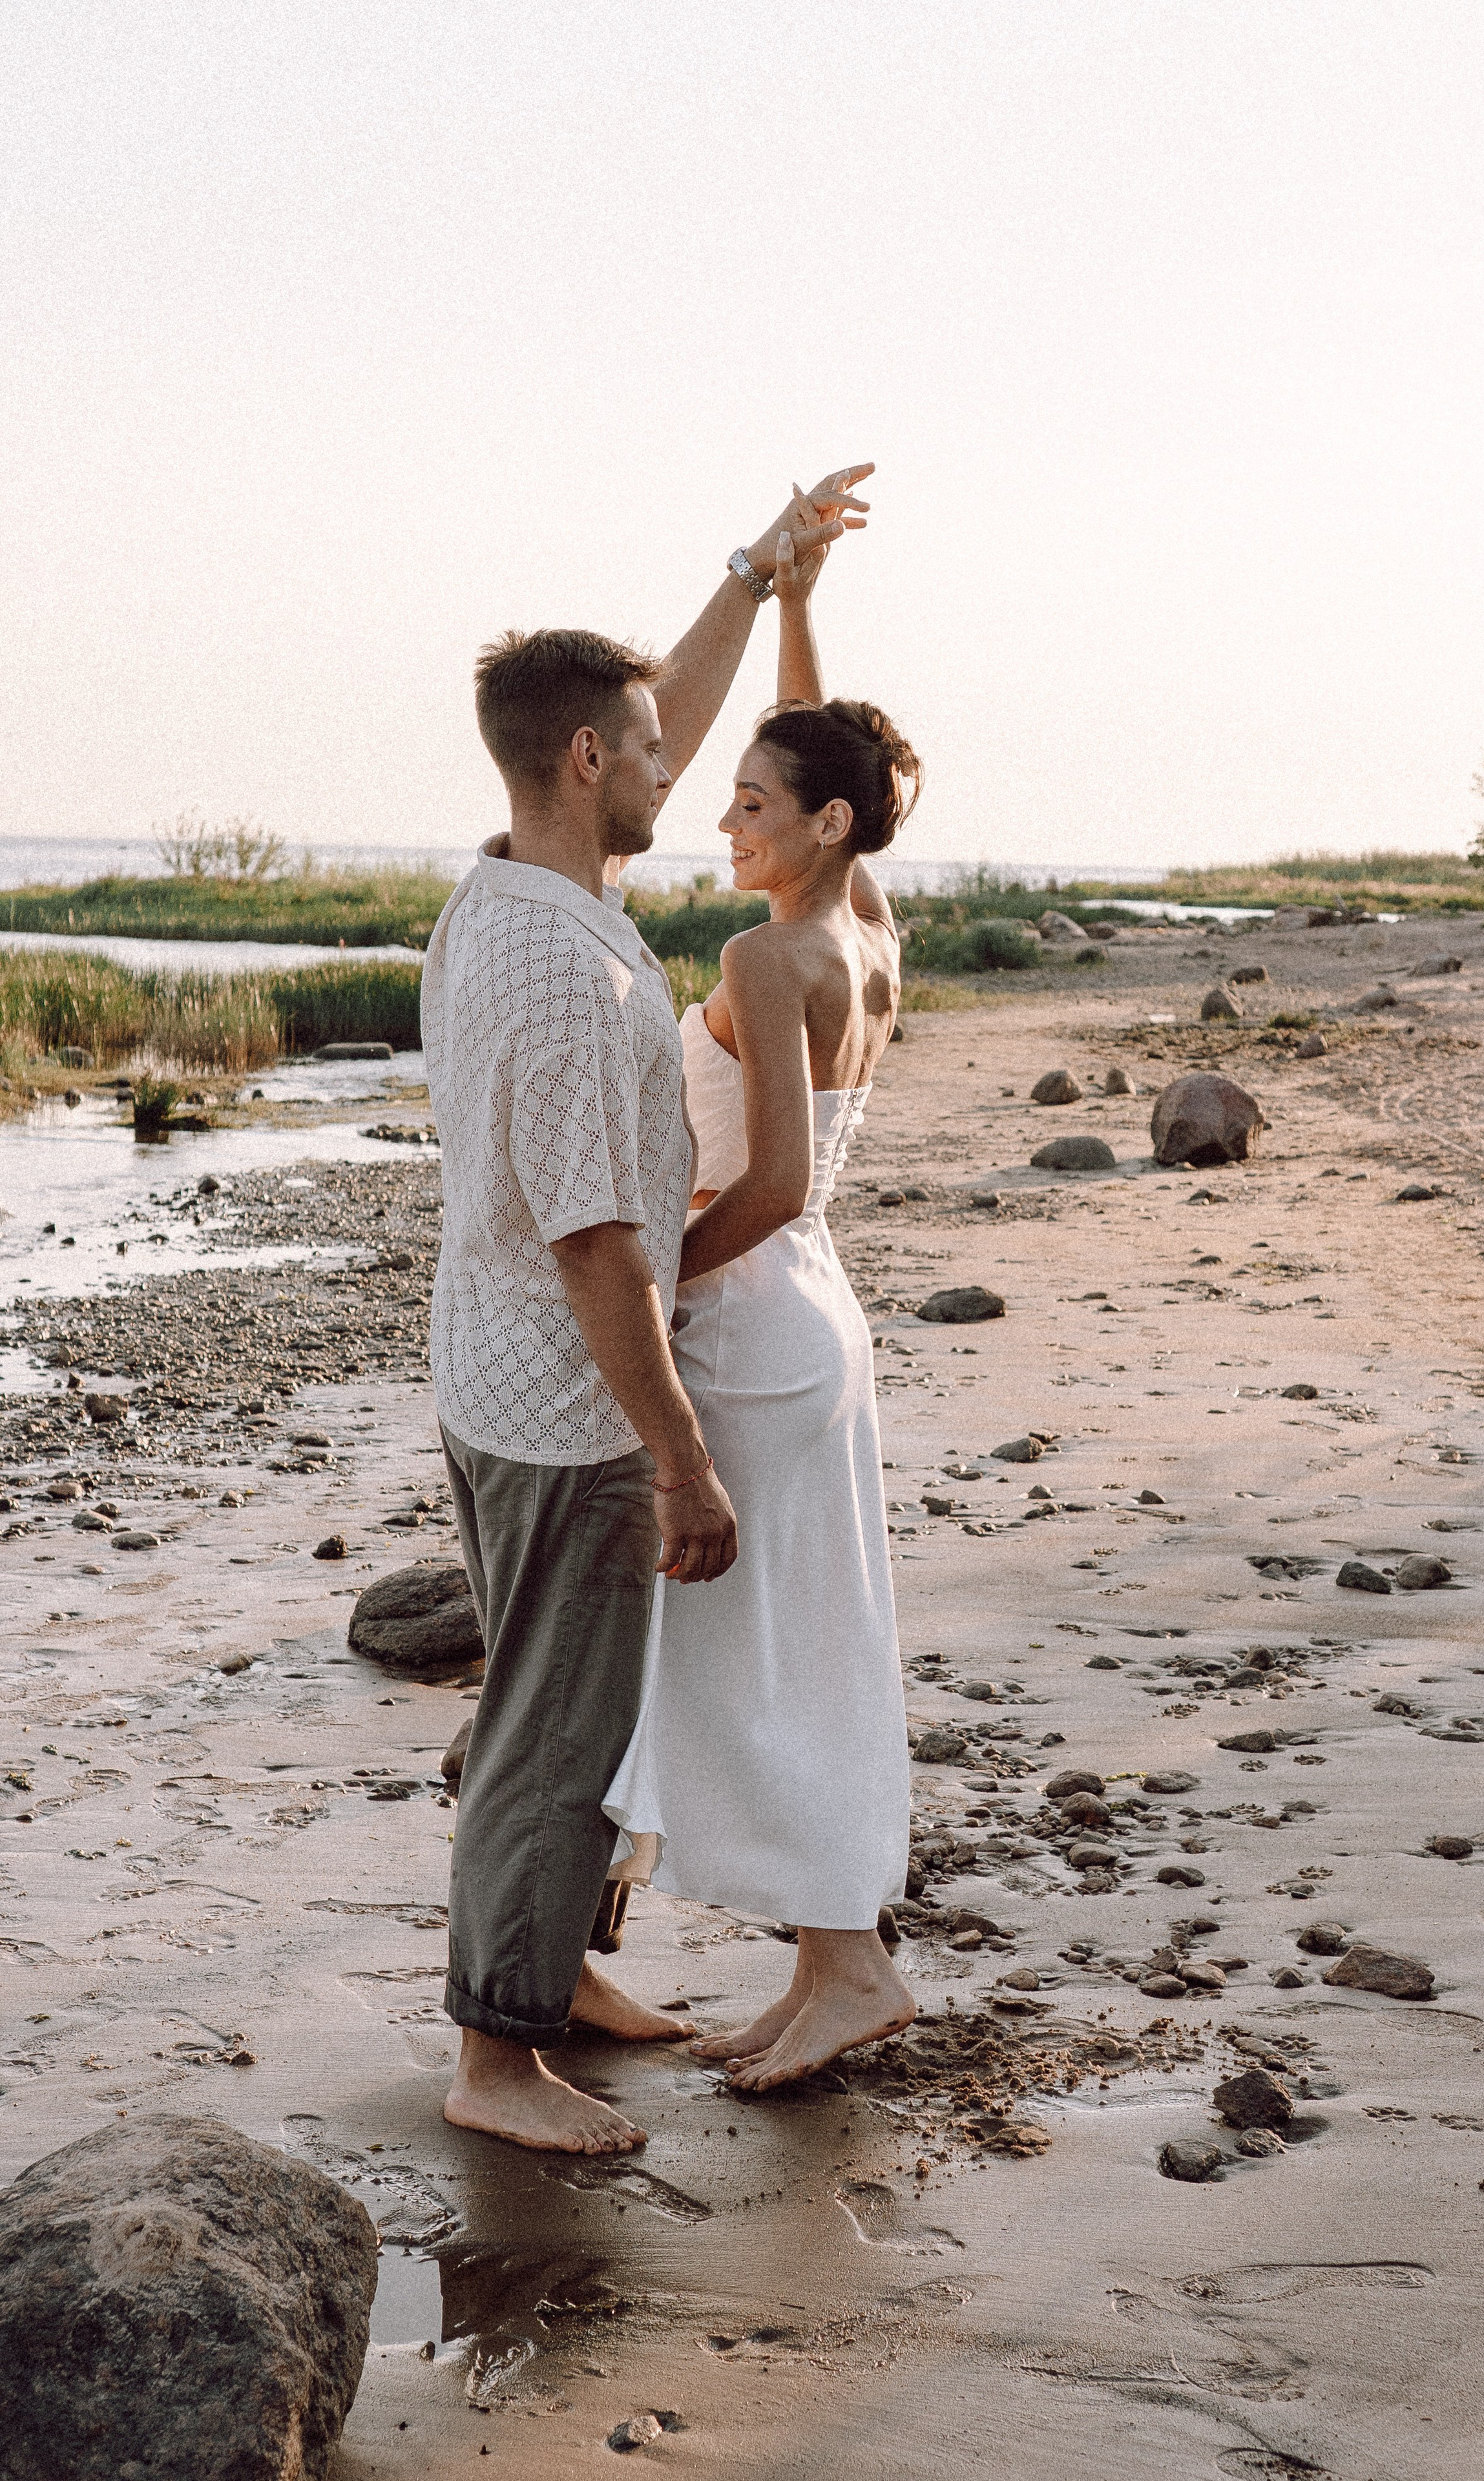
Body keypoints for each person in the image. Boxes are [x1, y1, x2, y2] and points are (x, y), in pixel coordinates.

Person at [423, 468, 873, 2153]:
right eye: (656, 751)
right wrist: (679, 1458)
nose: (689, 770)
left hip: (488, 1379)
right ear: (589, 765)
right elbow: (601, 1251)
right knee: (556, 1728)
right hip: (563, 1403)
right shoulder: (571, 974)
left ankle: (559, 1974)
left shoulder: (513, 885)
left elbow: (646, 723)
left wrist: (758, 581)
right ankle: (495, 2061)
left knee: (556, 1705)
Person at [605, 521, 923, 2089]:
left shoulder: (769, 950)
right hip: (817, 1325)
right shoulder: (863, 930)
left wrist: (648, 1289)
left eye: (750, 805)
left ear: (822, 826)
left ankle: (850, 1967)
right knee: (807, 1646)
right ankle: (829, 1965)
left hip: (751, 1313)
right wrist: (796, 607)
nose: (721, 821)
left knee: (758, 1661)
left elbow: (780, 1183)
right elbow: (831, 751)